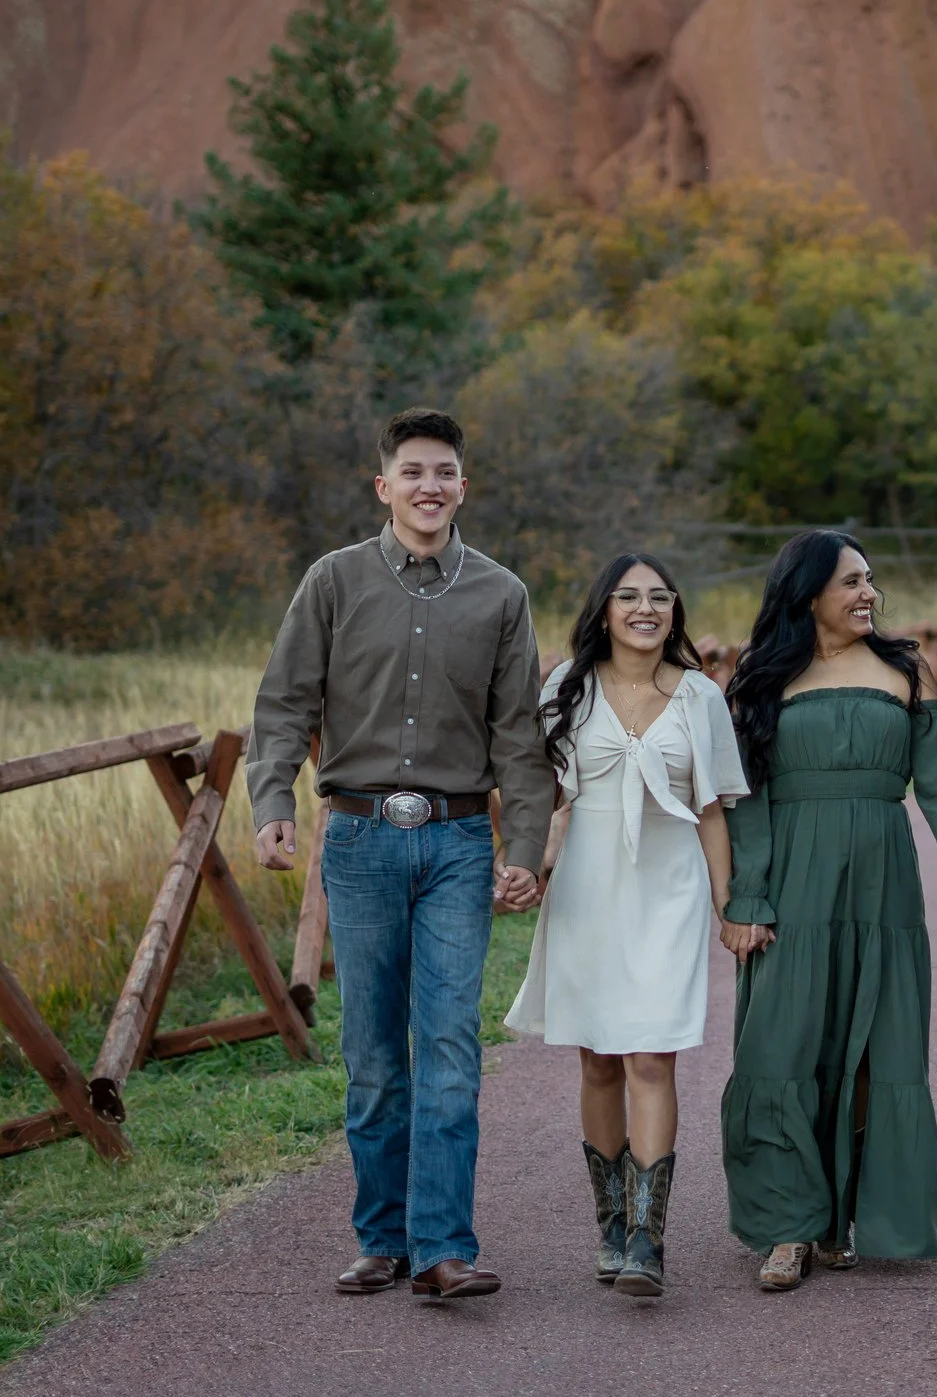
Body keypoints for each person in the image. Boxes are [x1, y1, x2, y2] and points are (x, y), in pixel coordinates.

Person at [249, 407, 548, 1301]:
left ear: (464, 486)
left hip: (459, 841)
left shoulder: (502, 594)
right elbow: (283, 702)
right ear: (384, 486)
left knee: (449, 1042)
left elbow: (520, 738)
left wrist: (525, 846)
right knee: (375, 1052)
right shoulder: (333, 581)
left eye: (446, 471)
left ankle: (443, 1246)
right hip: (360, 838)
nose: (430, 485)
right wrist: (273, 804)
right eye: (413, 471)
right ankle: (381, 1237)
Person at [719, 531, 937, 1292]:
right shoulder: (761, 680)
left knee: (872, 1052)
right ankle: (786, 1224)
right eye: (851, 583)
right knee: (782, 1046)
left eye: (870, 580)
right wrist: (748, 900)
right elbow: (747, 807)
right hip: (791, 881)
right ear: (807, 596)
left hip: (882, 881)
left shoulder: (904, 668)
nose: (868, 594)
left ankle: (841, 1218)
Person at [509, 554, 746, 1298]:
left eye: (659, 597)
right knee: (598, 1059)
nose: (645, 608)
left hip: (669, 888)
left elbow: (712, 809)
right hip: (587, 886)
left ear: (675, 610)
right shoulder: (565, 687)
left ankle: (649, 1237)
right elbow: (539, 790)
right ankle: (609, 1226)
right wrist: (525, 864)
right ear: (604, 609)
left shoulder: (702, 696)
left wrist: (727, 902)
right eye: (628, 596)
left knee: (652, 1056)